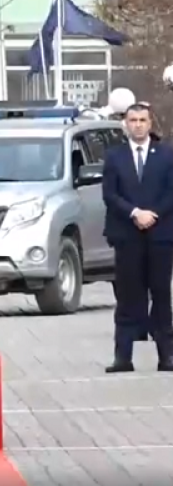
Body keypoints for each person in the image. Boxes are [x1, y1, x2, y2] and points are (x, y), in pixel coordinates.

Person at [102, 102, 173, 373]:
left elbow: (170, 192)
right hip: (127, 235)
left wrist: (153, 214)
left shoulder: (166, 155)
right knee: (129, 297)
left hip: (160, 234)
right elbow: (110, 194)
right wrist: (134, 213)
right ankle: (123, 356)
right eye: (133, 120)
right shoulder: (114, 157)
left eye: (143, 120)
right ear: (125, 124)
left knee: (161, 294)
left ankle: (167, 355)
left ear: (150, 123)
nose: (138, 125)